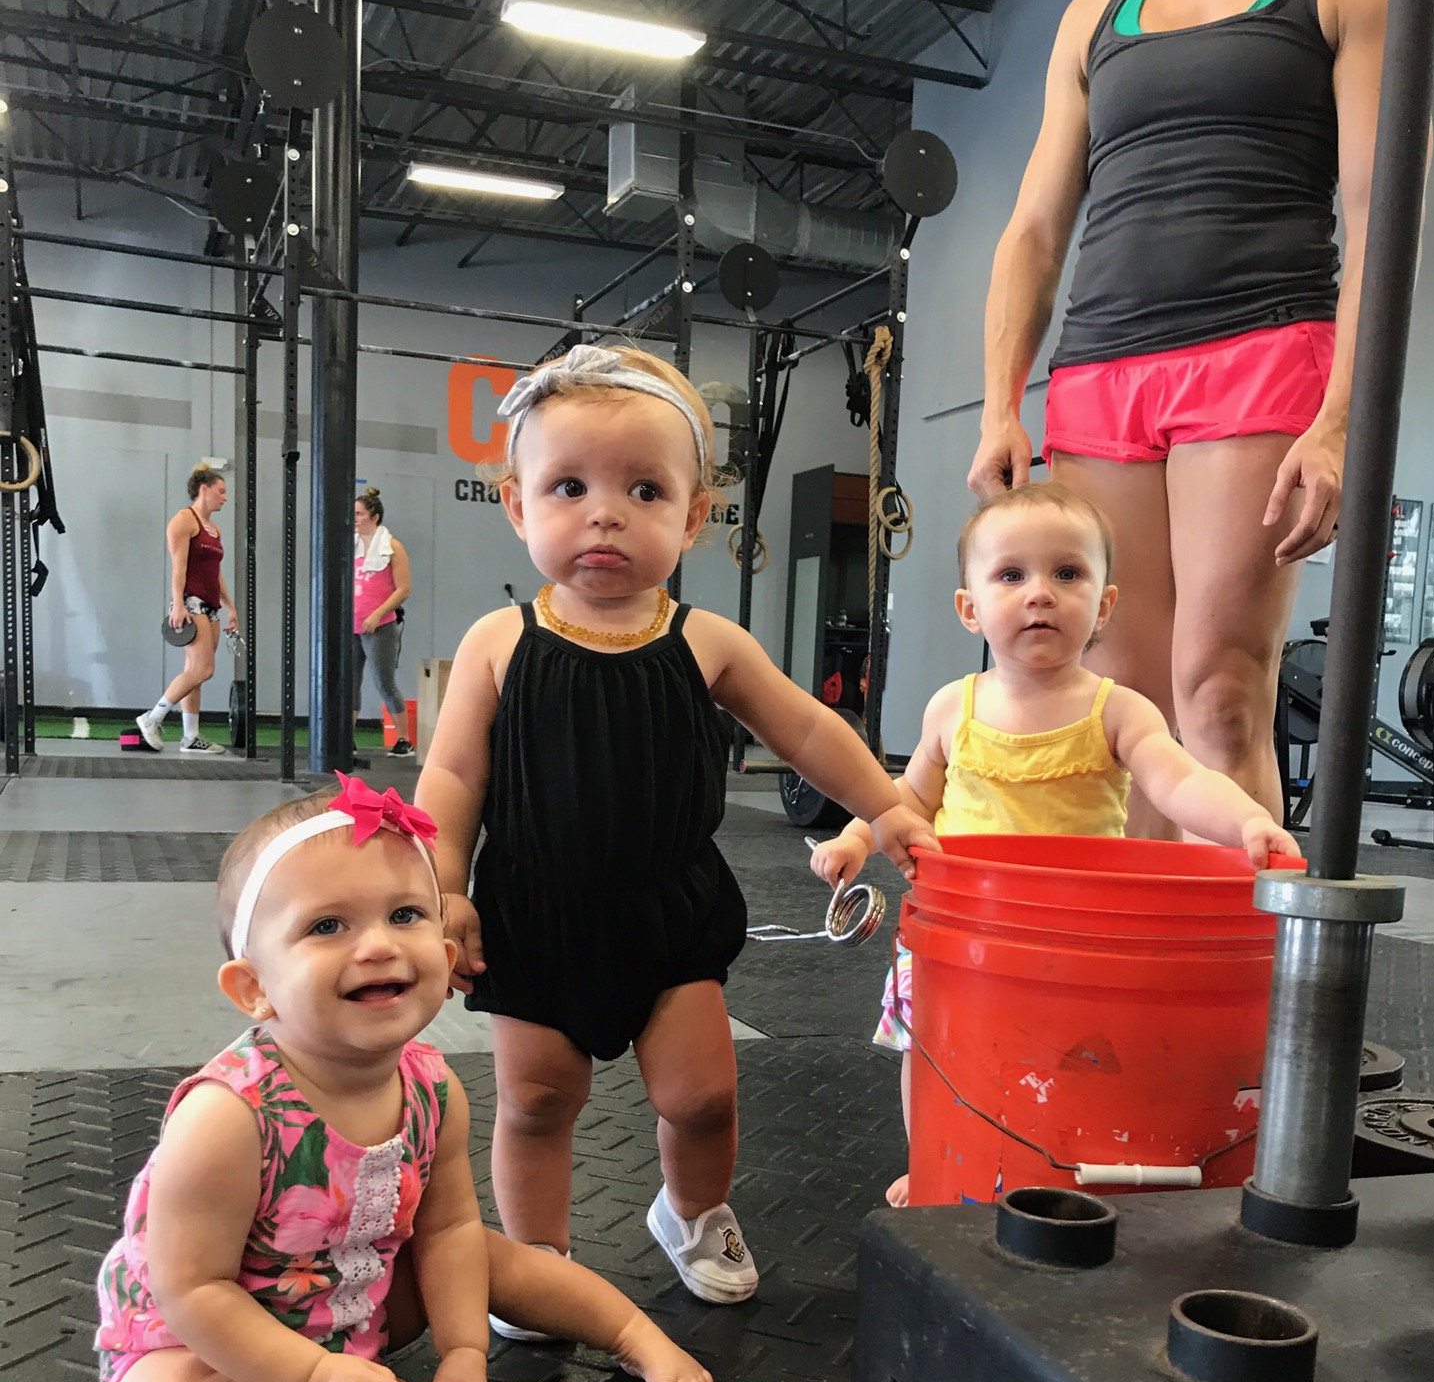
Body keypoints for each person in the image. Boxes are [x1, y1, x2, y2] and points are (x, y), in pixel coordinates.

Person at [417, 344, 939, 1319]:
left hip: (671, 914)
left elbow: (808, 729)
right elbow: (452, 778)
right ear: (518, 506)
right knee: (536, 1101)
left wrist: (888, 805)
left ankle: (693, 1212)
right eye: (569, 486)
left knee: (703, 1098)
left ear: (693, 518)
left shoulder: (707, 641)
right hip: (534, 916)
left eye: (645, 490)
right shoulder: (499, 643)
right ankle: (536, 1261)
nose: (605, 512)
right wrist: (441, 890)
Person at [94, 776, 713, 1382]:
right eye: (328, 926)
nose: (379, 945)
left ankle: (634, 1335)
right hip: (202, 1344)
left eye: (405, 914)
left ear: (447, 954)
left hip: (351, 1304)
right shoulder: (228, 1117)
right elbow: (193, 1291)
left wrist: (463, 1355)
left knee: (489, 1253)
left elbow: (447, 1232)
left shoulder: (433, 1089)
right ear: (253, 988)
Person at [967, 0, 1387, 835]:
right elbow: (1035, 231)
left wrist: (1344, 416)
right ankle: (1144, 925)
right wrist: (997, 405)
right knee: (1124, 706)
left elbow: (1379, 211)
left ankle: (1229, 923)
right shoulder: (1093, 17)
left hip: (1262, 351)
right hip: (1099, 371)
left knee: (1219, 689)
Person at [810, 483, 1300, 1207]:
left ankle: (1053, 1158)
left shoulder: (1118, 710)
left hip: (1074, 939)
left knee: (1070, 1057)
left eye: (1068, 573)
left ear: (1103, 605)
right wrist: (858, 835)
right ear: (970, 607)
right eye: (1011, 574)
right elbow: (906, 798)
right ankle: (935, 1155)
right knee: (934, 1053)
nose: (1040, 593)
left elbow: (1180, 780)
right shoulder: (953, 708)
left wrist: (1246, 821)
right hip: (960, 932)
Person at [137, 462, 238, 756]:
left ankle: (191, 737)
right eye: (221, 491)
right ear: (204, 489)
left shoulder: (215, 530)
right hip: (191, 601)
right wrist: (178, 605)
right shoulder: (184, 520)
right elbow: (178, 568)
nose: (225, 497)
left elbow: (216, 574)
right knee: (204, 669)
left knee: (194, 671)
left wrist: (230, 607)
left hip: (211, 605)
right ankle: (152, 718)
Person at [353, 486, 415, 762]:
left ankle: (404, 740)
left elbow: (403, 589)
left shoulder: (393, 548)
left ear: (374, 516)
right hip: (352, 625)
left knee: (384, 682)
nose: (354, 518)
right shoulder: (352, 545)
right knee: (349, 683)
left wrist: (377, 615)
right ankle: (346, 739)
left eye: (359, 514)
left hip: (380, 626)